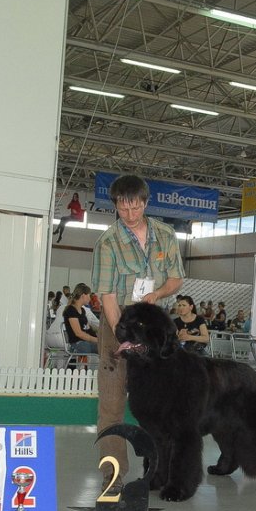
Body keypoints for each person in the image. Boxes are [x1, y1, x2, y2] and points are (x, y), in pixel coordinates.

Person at [91, 174, 184, 493]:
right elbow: (107, 296)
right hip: (118, 321)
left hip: (154, 324)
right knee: (113, 403)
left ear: (145, 203)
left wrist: (156, 295)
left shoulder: (166, 234)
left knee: (160, 401)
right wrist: (122, 337)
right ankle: (113, 473)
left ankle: (161, 467)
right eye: (122, 206)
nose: (129, 213)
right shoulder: (107, 243)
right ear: (115, 204)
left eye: (135, 206)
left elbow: (176, 279)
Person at [63, 284, 99, 355]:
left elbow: (88, 329)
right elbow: (78, 333)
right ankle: (85, 365)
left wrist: (99, 339)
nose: (90, 298)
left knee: (104, 348)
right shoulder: (71, 310)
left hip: (85, 342)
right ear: (83, 295)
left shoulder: (82, 310)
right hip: (77, 343)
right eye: (88, 295)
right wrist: (96, 340)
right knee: (92, 347)